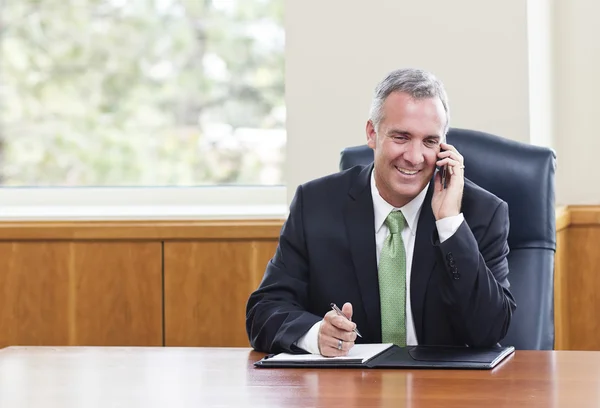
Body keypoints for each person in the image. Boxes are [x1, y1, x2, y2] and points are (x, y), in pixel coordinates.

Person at [246, 68, 516, 356]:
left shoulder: (480, 213)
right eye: (401, 137)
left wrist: (449, 224)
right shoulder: (315, 205)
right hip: (350, 392)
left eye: (429, 142)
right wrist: (316, 335)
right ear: (372, 133)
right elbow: (264, 311)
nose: (414, 157)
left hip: (443, 389)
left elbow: (490, 331)